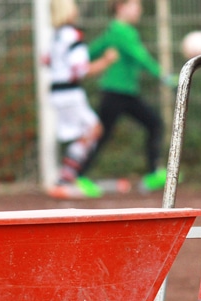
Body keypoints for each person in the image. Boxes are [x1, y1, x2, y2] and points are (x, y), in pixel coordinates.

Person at [80, 0, 175, 193]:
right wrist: (166, 77)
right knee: (103, 134)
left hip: (125, 93)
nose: (139, 9)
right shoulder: (121, 31)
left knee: (153, 123)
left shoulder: (113, 31)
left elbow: (90, 52)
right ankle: (77, 176)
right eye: (134, 5)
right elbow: (140, 57)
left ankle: (152, 174)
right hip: (116, 93)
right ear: (120, 7)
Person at [44, 0, 119, 200]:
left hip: (57, 92)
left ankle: (69, 177)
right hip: (70, 92)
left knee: (84, 134)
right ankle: (65, 179)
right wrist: (107, 60)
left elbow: (46, 60)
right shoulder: (73, 35)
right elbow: (82, 70)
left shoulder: (56, 35)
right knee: (93, 130)